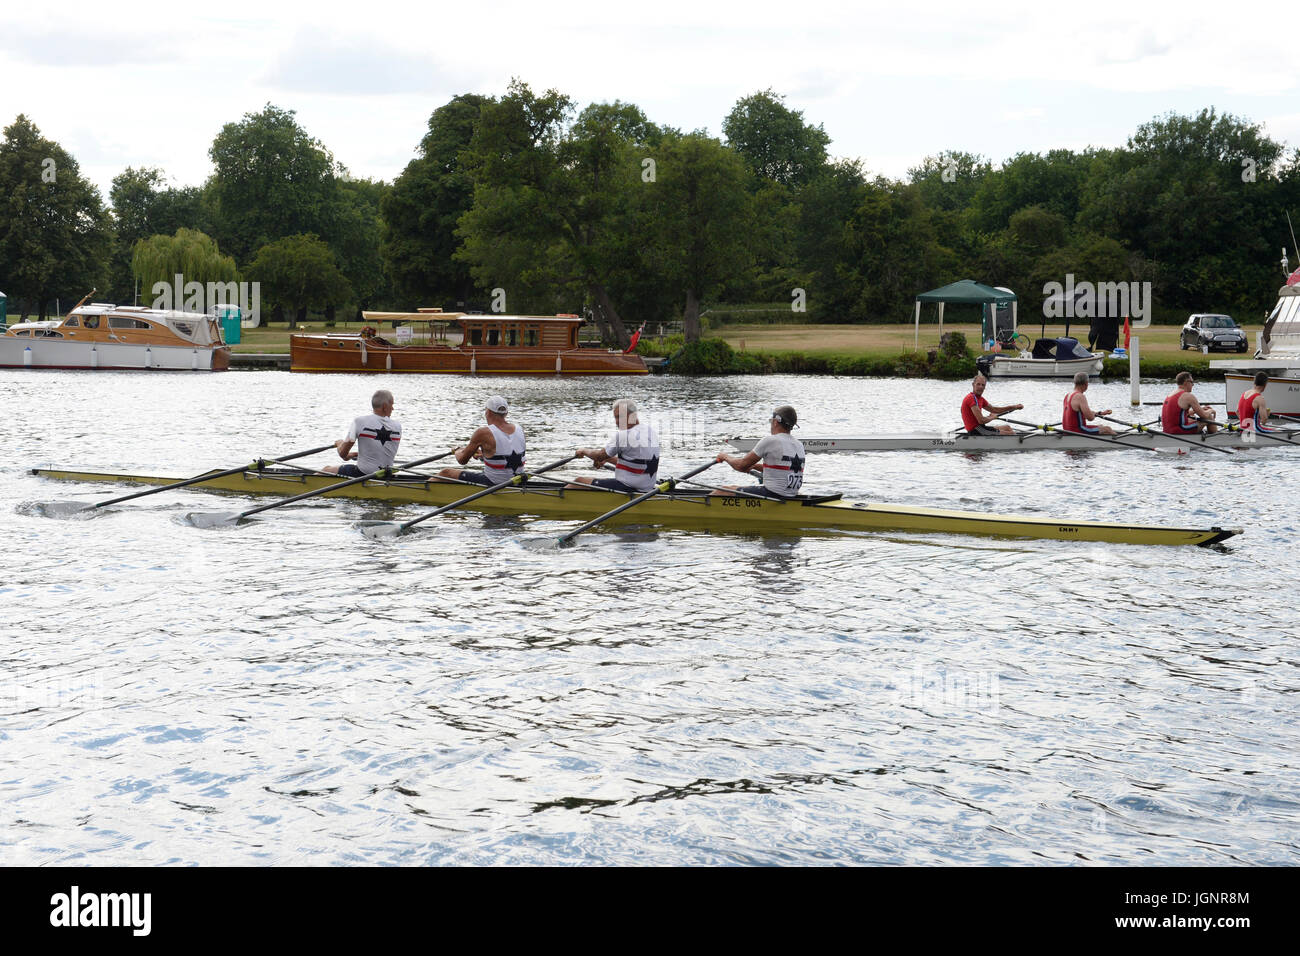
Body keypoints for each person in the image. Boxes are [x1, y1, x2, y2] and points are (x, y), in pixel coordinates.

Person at [714, 405, 805, 499]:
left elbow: (740, 466)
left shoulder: (770, 440)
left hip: (773, 495)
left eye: (771, 421)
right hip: (791, 495)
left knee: (720, 491)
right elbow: (784, 471)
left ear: (775, 422)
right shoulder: (799, 444)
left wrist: (724, 456)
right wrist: (754, 466)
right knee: (733, 488)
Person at [572, 399, 660, 493]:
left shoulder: (624, 435)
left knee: (579, 482)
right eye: (616, 418)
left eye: (620, 417)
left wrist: (583, 451)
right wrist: (606, 459)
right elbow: (637, 463)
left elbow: (598, 455)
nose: (617, 422)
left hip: (629, 488)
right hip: (647, 488)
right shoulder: (649, 431)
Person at [439, 395, 526, 485]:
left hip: (494, 483)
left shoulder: (483, 432)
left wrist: (458, 451)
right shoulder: (519, 428)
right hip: (518, 481)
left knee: (445, 473)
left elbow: (462, 460)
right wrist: (484, 455)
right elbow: (506, 455)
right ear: (506, 413)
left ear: (488, 412)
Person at [324, 389, 401, 477]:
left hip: (362, 474)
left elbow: (342, 454)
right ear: (384, 406)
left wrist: (339, 444)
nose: (393, 408)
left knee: (326, 469)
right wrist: (352, 455)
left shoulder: (359, 422)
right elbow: (381, 452)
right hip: (386, 474)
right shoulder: (398, 426)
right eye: (392, 405)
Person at [1061, 371, 1116, 435]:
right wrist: (1092, 415)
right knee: (1107, 429)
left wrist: (1100, 413)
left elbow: (1081, 414)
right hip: (1078, 430)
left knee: (1100, 426)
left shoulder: (1068, 395)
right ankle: (1119, 443)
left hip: (1067, 430)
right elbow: (1090, 418)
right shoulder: (1080, 396)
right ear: (1086, 383)